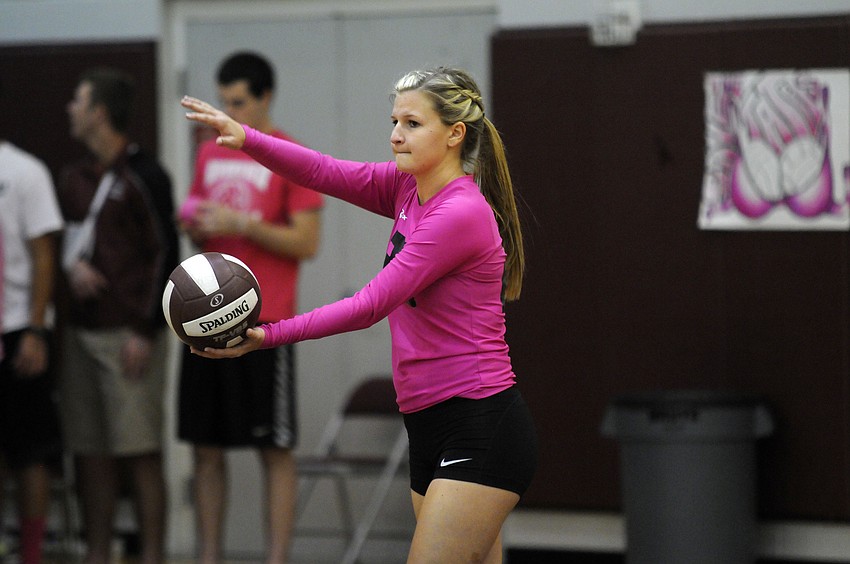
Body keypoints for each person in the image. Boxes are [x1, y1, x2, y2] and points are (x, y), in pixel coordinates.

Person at [181, 66, 538, 563]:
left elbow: (369, 305)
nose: (396, 135)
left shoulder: (459, 212)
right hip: (427, 422)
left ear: (455, 134)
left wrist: (267, 335)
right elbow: (323, 171)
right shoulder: (407, 188)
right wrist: (247, 139)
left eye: (412, 124)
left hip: (479, 423)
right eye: (394, 121)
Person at [176, 52, 323, 564]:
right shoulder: (209, 152)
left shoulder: (290, 154)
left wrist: (244, 225)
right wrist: (195, 222)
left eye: (238, 101)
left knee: (273, 448)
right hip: (205, 317)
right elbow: (194, 214)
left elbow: (306, 242)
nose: (229, 110)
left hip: (267, 321)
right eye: (223, 100)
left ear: (264, 98)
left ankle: (275, 558)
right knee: (205, 446)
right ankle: (209, 555)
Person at [56, 68, 179, 564]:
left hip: (131, 335)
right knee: (90, 452)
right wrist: (72, 268)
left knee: (140, 450)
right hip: (81, 333)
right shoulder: (73, 178)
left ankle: (152, 555)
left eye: (78, 101)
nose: (70, 109)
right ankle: (98, 553)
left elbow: (165, 253)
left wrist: (146, 330)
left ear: (99, 113)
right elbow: (62, 241)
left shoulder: (146, 175)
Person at [0, 132, 65, 564]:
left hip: (17, 324)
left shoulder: (23, 171)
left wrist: (37, 331)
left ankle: (32, 552)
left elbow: (44, 255)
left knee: (30, 450)